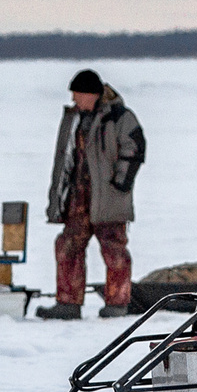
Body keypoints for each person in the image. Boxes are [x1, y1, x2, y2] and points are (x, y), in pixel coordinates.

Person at [41, 69, 146, 320]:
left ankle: (117, 304)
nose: (74, 99)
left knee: (114, 251)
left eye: (78, 94)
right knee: (67, 246)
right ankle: (67, 303)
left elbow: (135, 147)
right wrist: (59, 196)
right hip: (77, 198)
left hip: (108, 198)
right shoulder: (74, 118)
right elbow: (63, 159)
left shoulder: (119, 116)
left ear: (92, 94)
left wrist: (119, 183)